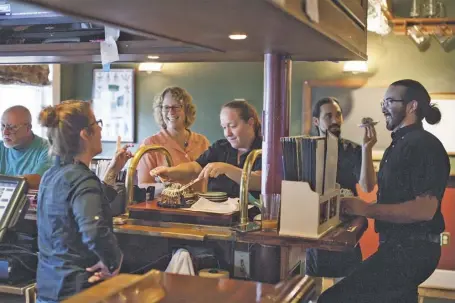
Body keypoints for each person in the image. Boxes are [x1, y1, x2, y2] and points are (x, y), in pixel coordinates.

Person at [318, 79, 450, 303]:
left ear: (412, 106)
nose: (383, 107)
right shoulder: (399, 143)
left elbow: (425, 210)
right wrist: (367, 148)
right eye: (383, 101)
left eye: (390, 101)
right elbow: (371, 185)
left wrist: (367, 209)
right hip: (397, 247)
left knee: (331, 299)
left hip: (411, 251)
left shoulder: (423, 144)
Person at [36, 100, 133, 303]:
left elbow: (84, 206)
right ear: (85, 134)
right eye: (96, 123)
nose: (100, 128)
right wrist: (114, 260)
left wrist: (113, 171)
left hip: (49, 288)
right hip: (77, 291)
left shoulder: (51, 175)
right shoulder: (81, 179)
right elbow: (94, 229)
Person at [306, 97, 377, 279]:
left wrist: (367, 149)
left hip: (347, 226)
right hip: (314, 229)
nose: (335, 121)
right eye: (328, 116)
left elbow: (367, 186)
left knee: (347, 287)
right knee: (314, 289)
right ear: (316, 121)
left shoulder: (352, 150)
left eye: (338, 115)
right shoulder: (306, 150)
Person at [152, 100, 261, 198]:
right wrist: (170, 171)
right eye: (224, 127)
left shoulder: (264, 150)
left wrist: (227, 169)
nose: (227, 133)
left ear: (250, 123)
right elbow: (195, 167)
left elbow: (260, 182)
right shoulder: (220, 147)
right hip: (215, 215)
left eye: (232, 126)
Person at [137, 87, 210, 191]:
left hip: (201, 205)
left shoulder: (203, 142)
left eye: (176, 107)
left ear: (187, 110)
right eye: (166, 107)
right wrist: (170, 188)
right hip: (165, 205)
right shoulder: (150, 144)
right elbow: (143, 185)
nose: (171, 112)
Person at [0, 105, 52, 189]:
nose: (5, 132)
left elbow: (38, 180)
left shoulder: (47, 149)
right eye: (3, 125)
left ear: (28, 128)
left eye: (13, 127)